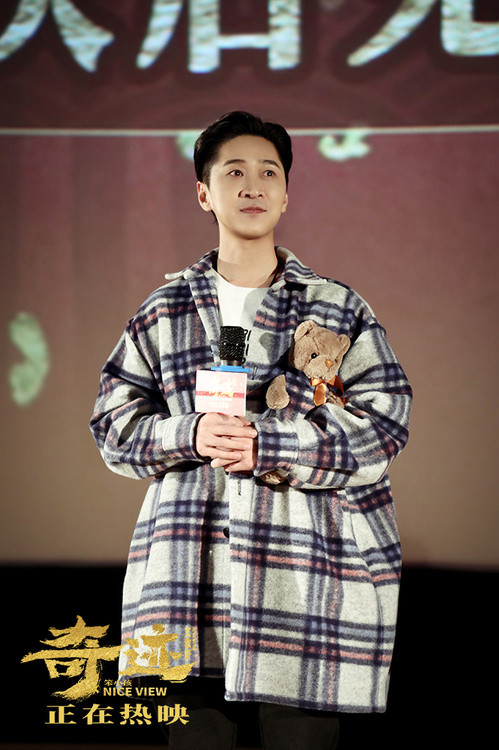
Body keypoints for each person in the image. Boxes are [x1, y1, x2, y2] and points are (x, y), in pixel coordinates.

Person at [90, 111, 412, 749]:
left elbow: (384, 422)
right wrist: (188, 434)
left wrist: (273, 443)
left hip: (307, 577)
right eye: (234, 172)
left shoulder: (335, 306)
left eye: (269, 173)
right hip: (188, 579)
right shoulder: (165, 310)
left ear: (286, 194)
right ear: (204, 193)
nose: (253, 185)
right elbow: (112, 425)